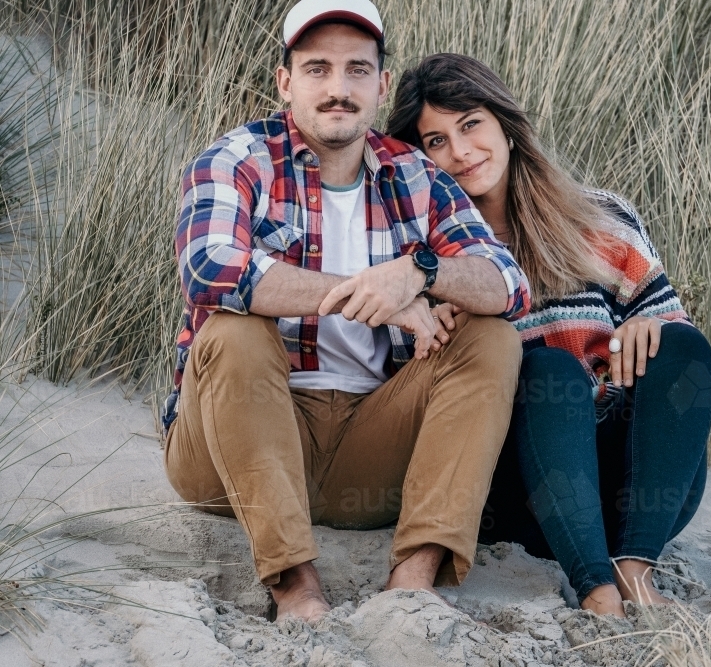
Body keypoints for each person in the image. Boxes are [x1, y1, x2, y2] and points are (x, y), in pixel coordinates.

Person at [162, 2, 531, 623]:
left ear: (382, 85)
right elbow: (210, 268)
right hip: (230, 454)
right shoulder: (237, 159)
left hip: (369, 443)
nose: (338, 89)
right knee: (233, 329)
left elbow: (508, 283)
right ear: (286, 82)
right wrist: (378, 300)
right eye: (317, 69)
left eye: (358, 69)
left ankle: (413, 583)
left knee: (493, 340)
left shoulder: (414, 175)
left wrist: (418, 273)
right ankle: (296, 588)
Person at [386, 53, 711, 618]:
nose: (461, 152)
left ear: (506, 127)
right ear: (418, 158)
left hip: (632, 489)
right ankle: (595, 591)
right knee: (547, 369)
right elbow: (410, 390)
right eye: (436, 141)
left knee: (683, 344)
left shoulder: (603, 216)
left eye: (471, 125)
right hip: (523, 491)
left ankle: (633, 570)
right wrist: (433, 333)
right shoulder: (423, 255)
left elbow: (689, 373)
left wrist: (649, 325)